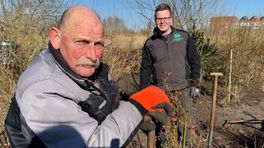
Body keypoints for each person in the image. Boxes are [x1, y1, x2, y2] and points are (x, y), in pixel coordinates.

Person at [4, 5, 172, 147]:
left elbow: (97, 106)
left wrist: (131, 118)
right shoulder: (42, 90)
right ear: (56, 37)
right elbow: (93, 143)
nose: (92, 55)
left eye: (98, 44)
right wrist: (136, 106)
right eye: (81, 42)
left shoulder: (73, 66)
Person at [140, 3, 201, 146]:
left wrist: (195, 83)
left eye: (166, 18)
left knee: (185, 125)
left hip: (183, 89)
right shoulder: (150, 43)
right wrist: (145, 92)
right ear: (155, 20)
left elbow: (195, 61)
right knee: (164, 127)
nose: (162, 21)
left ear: (171, 19)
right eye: (159, 18)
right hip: (161, 92)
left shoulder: (185, 37)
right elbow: (145, 69)